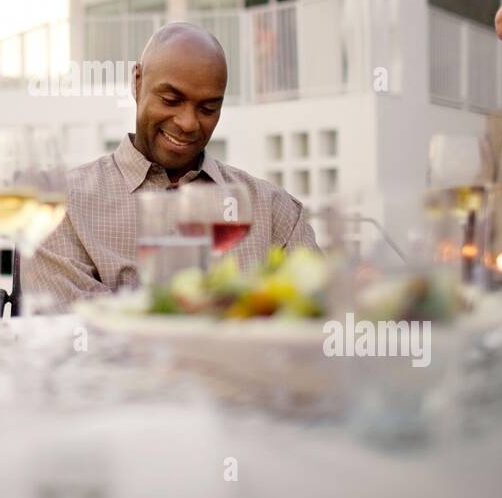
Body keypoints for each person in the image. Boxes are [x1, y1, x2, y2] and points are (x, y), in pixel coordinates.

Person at [22, 22, 319, 310]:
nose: (188, 123)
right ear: (137, 83)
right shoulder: (59, 206)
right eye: (171, 99)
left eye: (208, 109)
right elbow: (72, 335)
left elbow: (312, 320)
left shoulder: (275, 212)